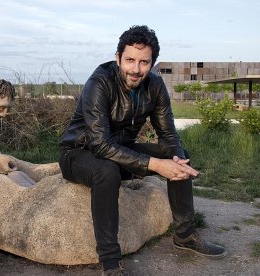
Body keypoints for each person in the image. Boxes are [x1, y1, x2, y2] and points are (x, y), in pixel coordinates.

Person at [59, 25, 226, 275]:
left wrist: (176, 161)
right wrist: (157, 166)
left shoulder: (156, 86)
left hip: (121, 151)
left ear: (153, 63)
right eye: (129, 60)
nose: (136, 69)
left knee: (178, 155)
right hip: (79, 153)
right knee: (107, 170)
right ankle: (110, 262)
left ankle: (185, 235)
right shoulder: (99, 83)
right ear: (118, 58)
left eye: (144, 62)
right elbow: (100, 144)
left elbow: (168, 134)